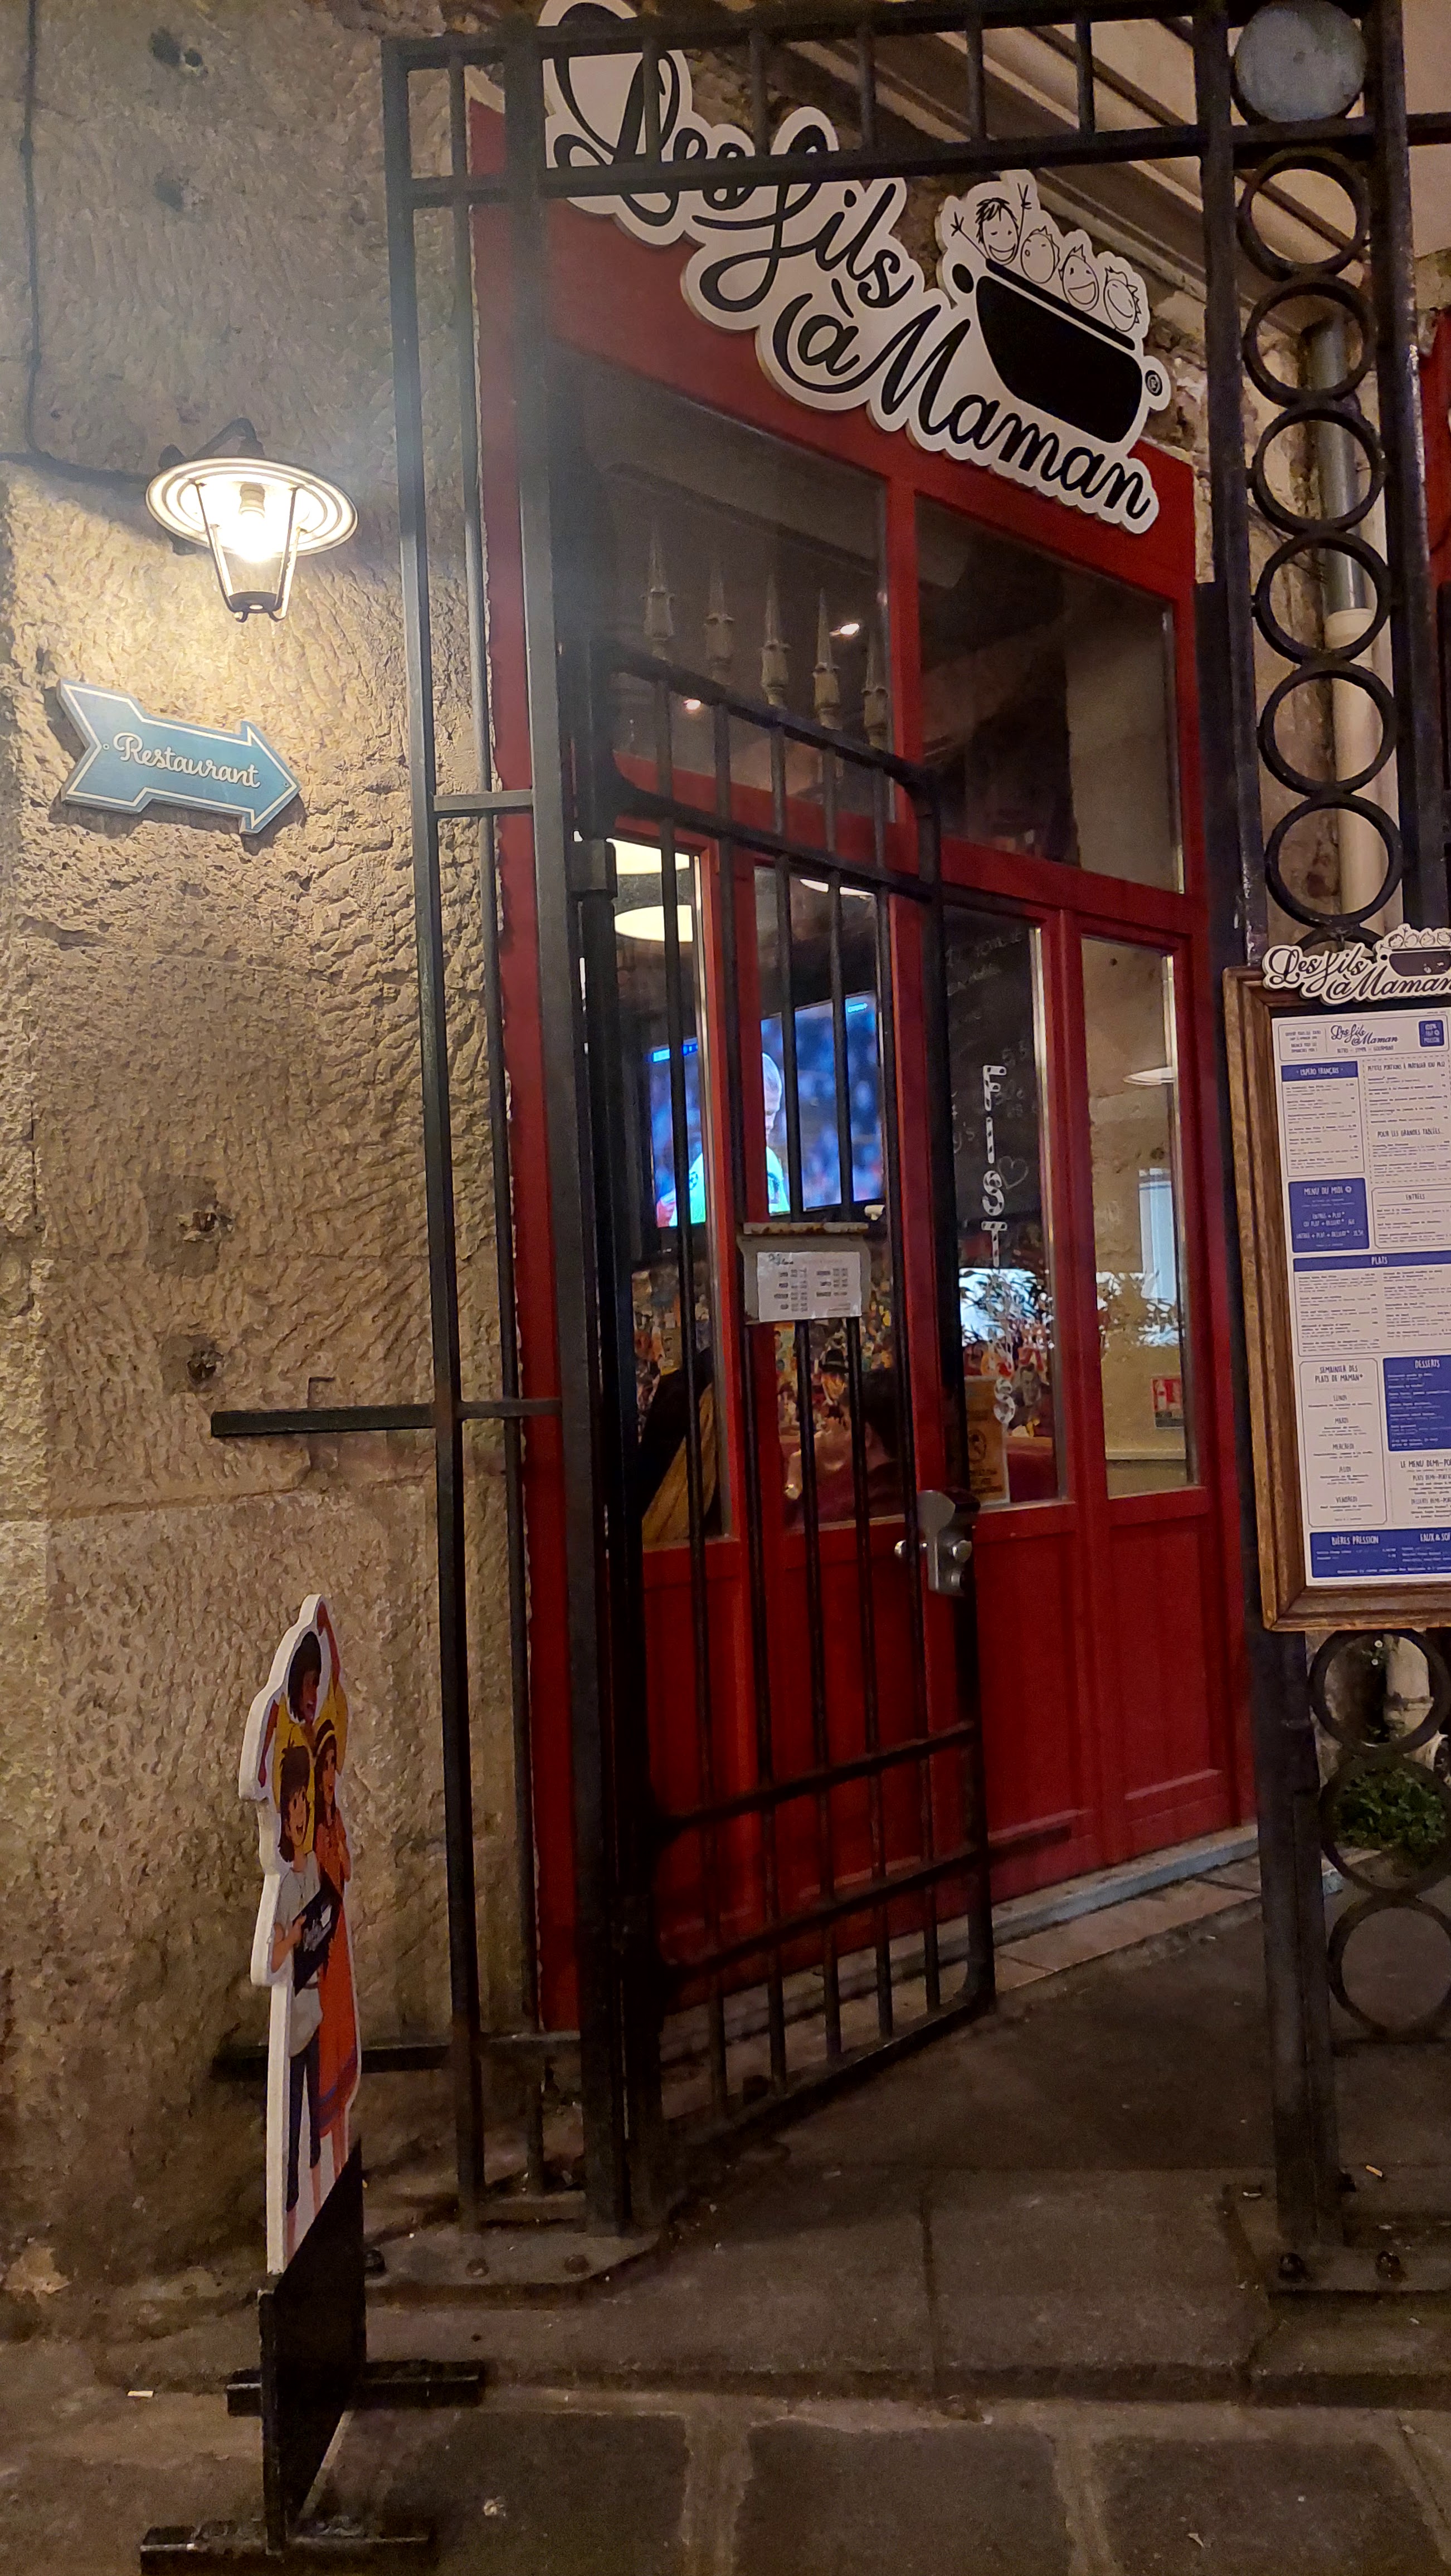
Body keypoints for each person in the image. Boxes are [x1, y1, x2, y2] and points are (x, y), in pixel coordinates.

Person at [270, 1742, 325, 2262]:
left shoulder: (310, 1872)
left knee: (315, 2122)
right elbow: (269, 1957)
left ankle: (314, 2209)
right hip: (290, 2015)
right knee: (289, 2125)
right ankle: (288, 2224)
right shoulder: (283, 1882)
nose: (301, 1812)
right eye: (294, 1805)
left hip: (314, 2007)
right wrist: (293, 1939)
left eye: (304, 1803)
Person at [310, 1717, 359, 2186]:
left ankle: (340, 2164)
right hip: (321, 1947)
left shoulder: (334, 1821)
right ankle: (324, 2169)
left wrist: (339, 1844)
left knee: (344, 2033)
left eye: (332, 1764)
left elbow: (345, 1869)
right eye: (323, 1766)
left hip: (338, 1938)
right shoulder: (308, 1830)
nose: (330, 1774)